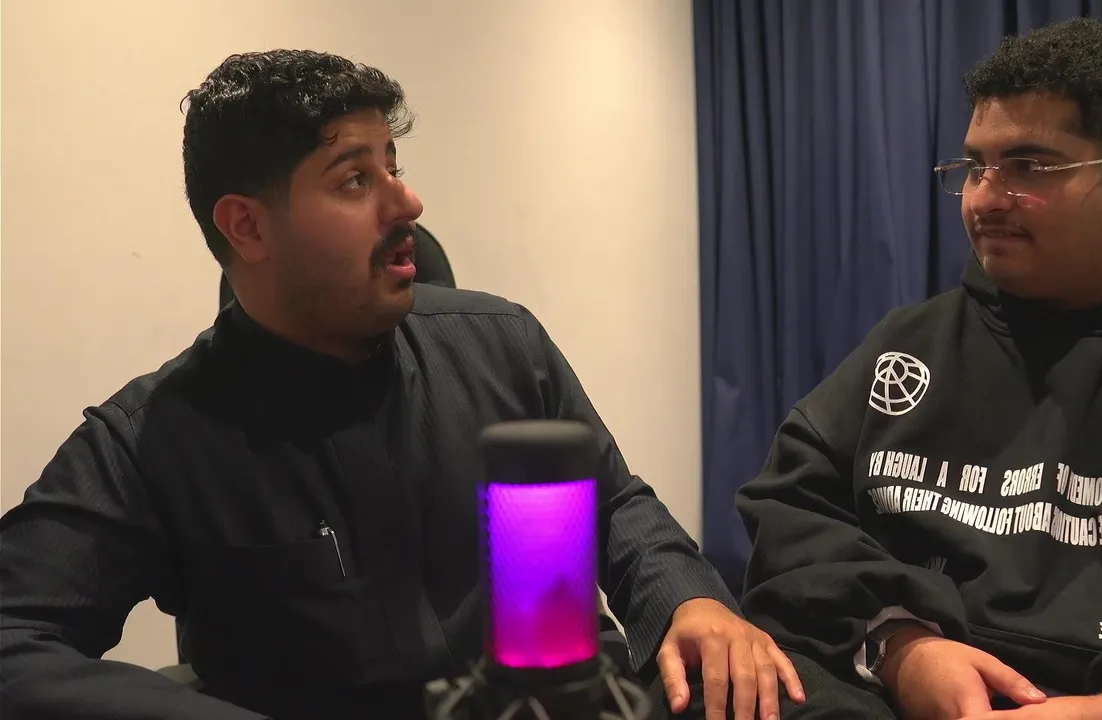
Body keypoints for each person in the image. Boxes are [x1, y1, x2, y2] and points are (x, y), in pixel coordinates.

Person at [0, 50, 805, 720]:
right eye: (355, 180)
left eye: (394, 166)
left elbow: (616, 504)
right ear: (246, 226)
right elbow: (14, 640)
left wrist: (689, 600)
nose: (408, 202)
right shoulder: (150, 438)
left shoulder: (502, 344)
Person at [736, 18, 1102, 720]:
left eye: (1028, 167)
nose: (984, 198)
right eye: (975, 166)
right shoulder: (910, 345)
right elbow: (790, 520)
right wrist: (903, 649)